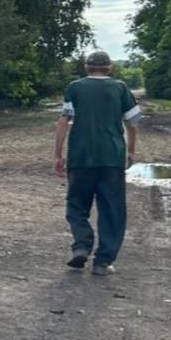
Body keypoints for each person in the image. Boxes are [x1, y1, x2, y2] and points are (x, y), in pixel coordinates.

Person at [54, 50, 140, 275]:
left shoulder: (74, 87)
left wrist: (58, 154)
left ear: (87, 67)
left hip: (81, 156)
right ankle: (103, 261)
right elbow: (132, 123)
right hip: (111, 157)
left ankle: (81, 245)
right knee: (112, 209)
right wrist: (130, 150)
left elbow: (63, 121)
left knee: (77, 206)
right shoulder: (120, 88)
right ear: (109, 67)